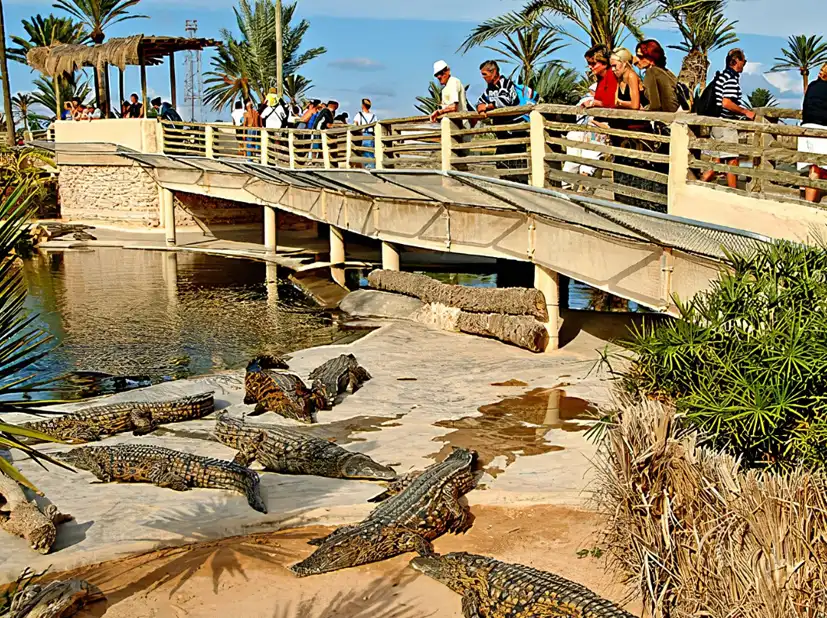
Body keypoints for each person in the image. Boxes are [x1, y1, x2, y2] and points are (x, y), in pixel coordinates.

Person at [700, 48, 755, 188]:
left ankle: (698, 184)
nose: (744, 64)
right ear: (736, 61)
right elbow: (727, 102)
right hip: (725, 124)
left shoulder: (722, 76)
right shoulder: (730, 79)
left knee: (717, 161)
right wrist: (745, 112)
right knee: (732, 159)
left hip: (717, 123)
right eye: (744, 61)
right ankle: (733, 191)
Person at [476, 60, 524, 177]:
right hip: (503, 132)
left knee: (517, 160)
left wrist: (487, 106)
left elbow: (506, 101)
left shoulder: (506, 84)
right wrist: (481, 109)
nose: (483, 78)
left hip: (514, 130)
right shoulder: (490, 89)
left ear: (494, 72)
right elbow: (480, 102)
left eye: (485, 74)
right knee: (502, 161)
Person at [799, 62, 827, 203]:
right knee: (819, 168)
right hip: (822, 130)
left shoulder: (812, 86)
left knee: (814, 170)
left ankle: (810, 203)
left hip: (807, 128)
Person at [635, 39, 679, 113]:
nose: (637, 60)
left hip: (666, 118)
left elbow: (654, 105)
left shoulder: (651, 72)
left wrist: (642, 109)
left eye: (640, 57)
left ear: (651, 57)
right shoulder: (667, 72)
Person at [582, 45, 617, 109]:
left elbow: (612, 102)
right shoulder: (601, 78)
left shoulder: (612, 75)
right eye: (588, 64)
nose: (590, 67)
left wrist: (593, 103)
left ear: (604, 63)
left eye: (593, 63)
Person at [353, 98, 377, 168]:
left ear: (363, 105)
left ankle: (369, 167)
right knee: (371, 151)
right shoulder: (373, 116)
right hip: (371, 134)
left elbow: (355, 125)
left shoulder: (359, 115)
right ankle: (372, 166)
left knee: (365, 151)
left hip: (363, 134)